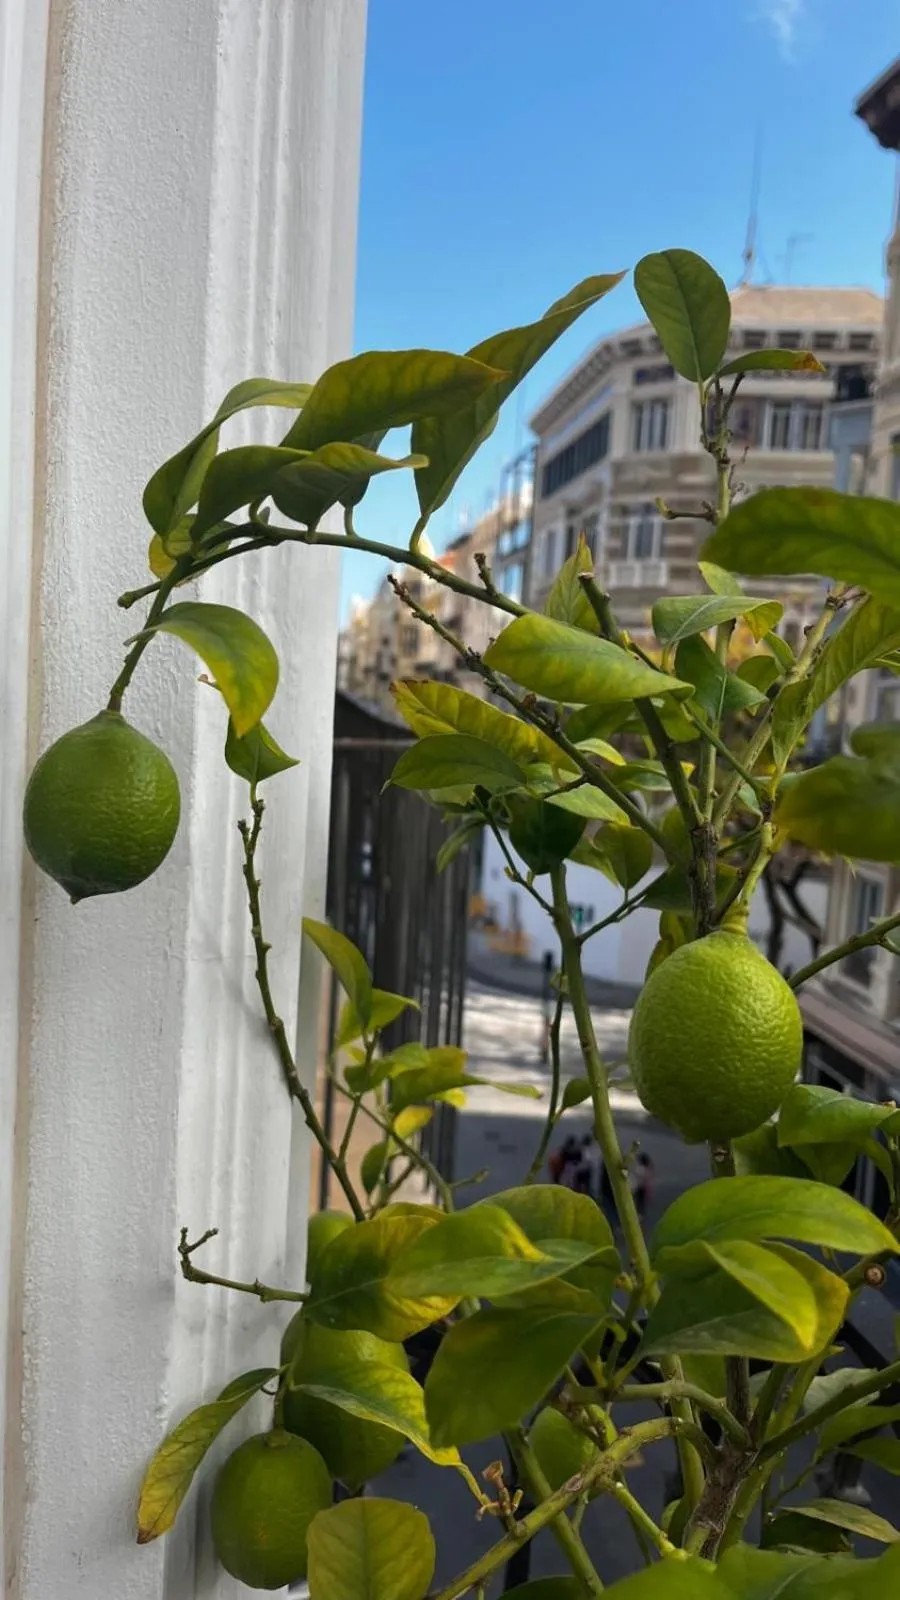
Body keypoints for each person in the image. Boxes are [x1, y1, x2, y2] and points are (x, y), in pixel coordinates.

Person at [629, 1150, 654, 1218]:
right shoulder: (648, 1168)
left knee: (639, 1202)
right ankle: (641, 1214)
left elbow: (637, 1178)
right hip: (644, 1188)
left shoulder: (640, 1169)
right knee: (641, 1202)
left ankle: (639, 1214)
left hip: (640, 1188)